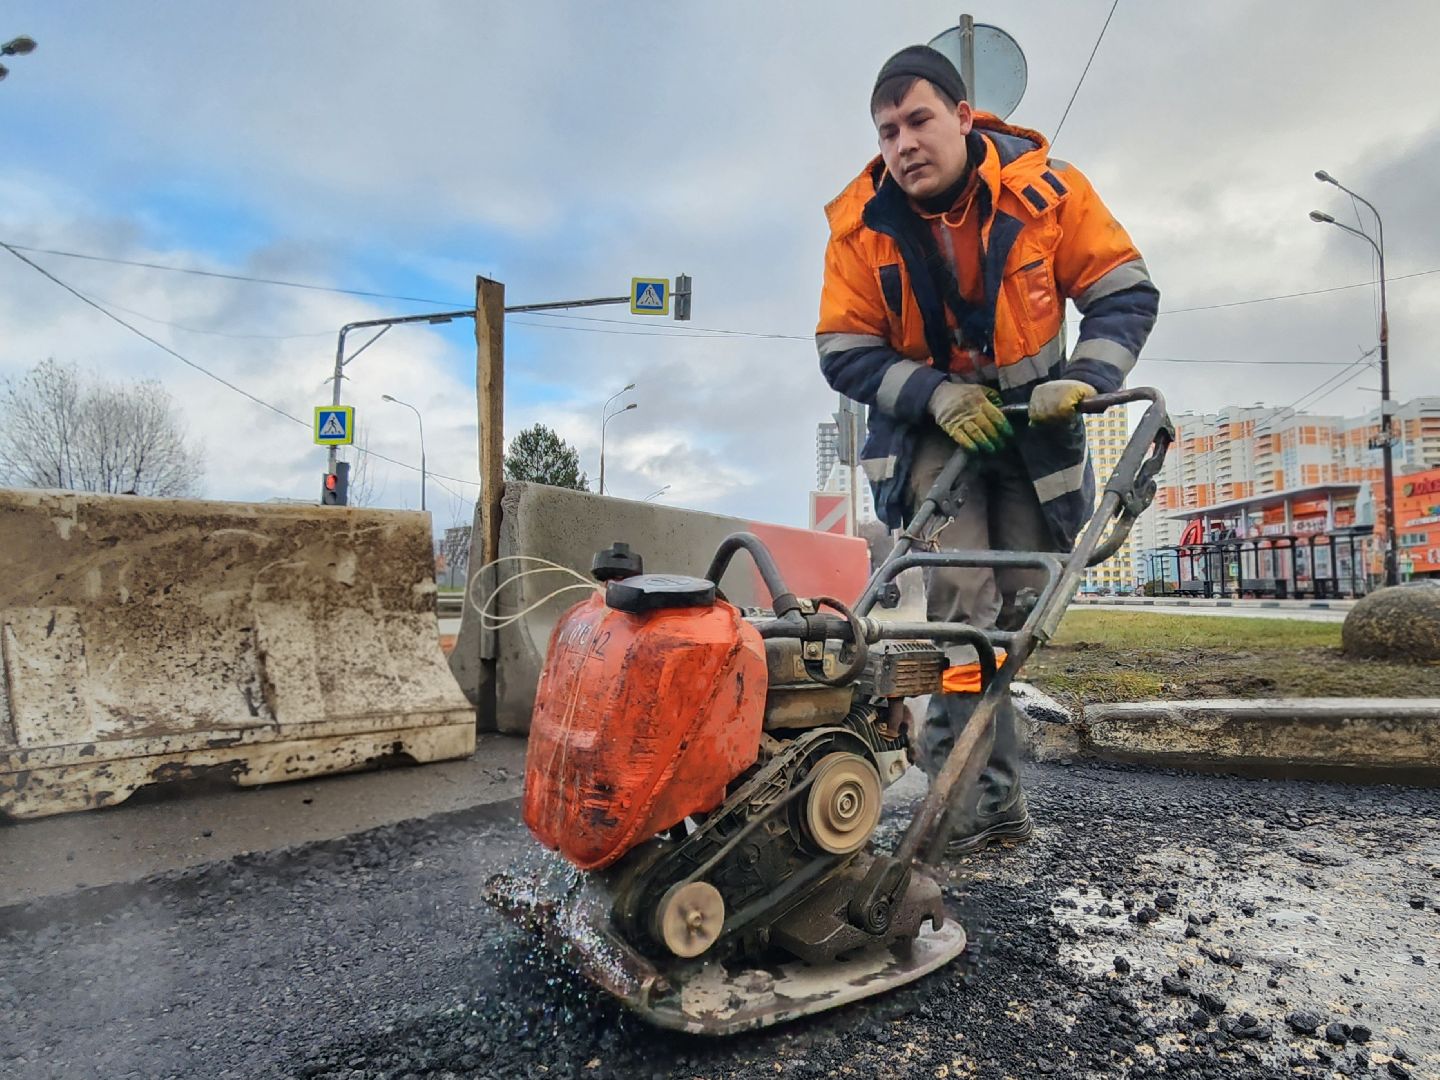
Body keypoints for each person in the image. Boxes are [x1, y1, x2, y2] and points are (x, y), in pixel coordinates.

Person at [815, 45, 1158, 854]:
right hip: (936, 438)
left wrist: (1081, 378)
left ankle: (991, 803)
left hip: (1036, 441)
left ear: (966, 117)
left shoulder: (1048, 191)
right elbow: (842, 346)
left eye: (919, 120)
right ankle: (954, 800)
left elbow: (1123, 290)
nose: (902, 143)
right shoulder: (862, 227)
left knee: (1009, 619)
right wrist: (934, 392)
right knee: (960, 607)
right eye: (887, 129)